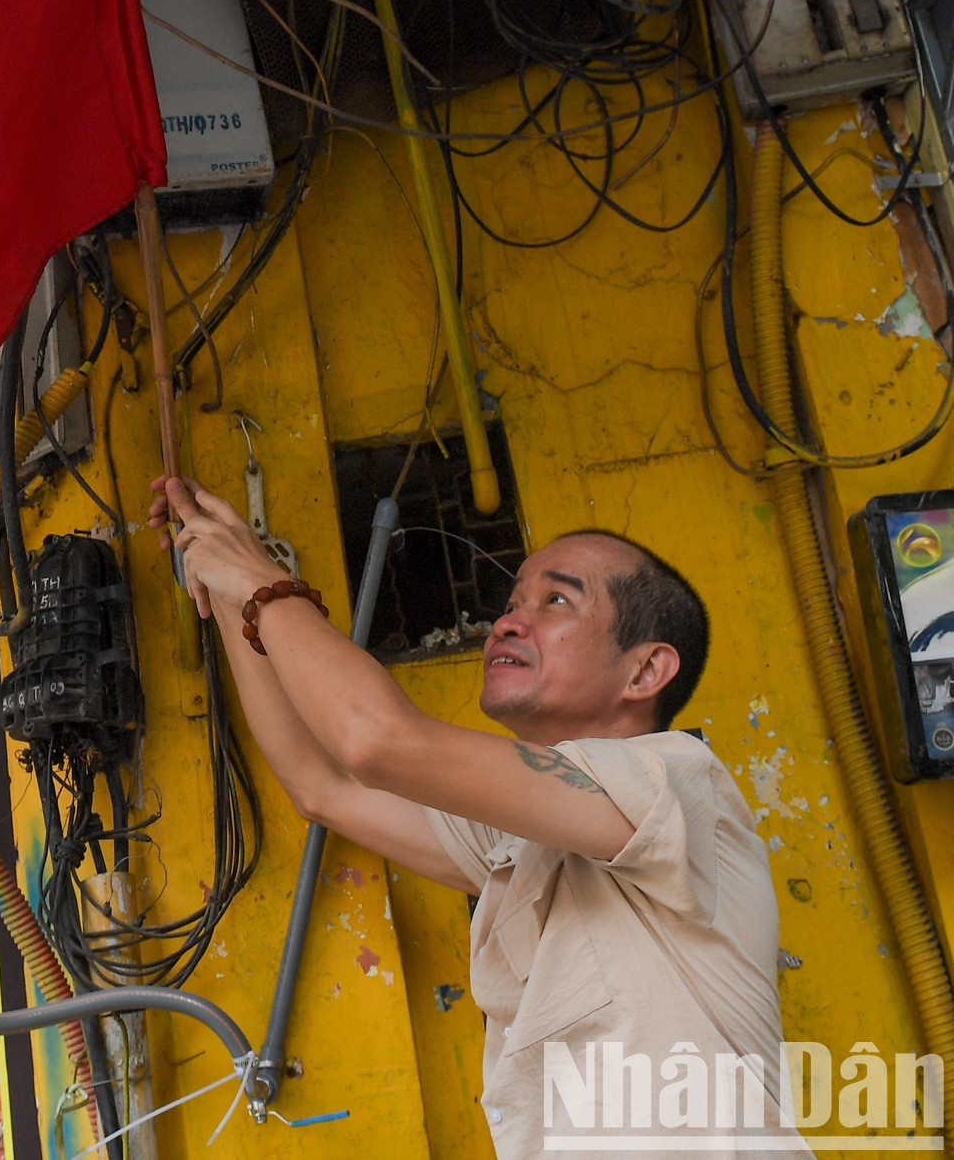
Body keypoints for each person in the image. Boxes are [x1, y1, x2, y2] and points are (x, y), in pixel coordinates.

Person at [149, 476, 805, 1157]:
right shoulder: (526, 838)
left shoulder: (671, 781)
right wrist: (229, 587)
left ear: (644, 671)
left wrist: (263, 584)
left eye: (556, 600)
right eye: (513, 601)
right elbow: (326, 783)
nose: (509, 620)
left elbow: (375, 742)